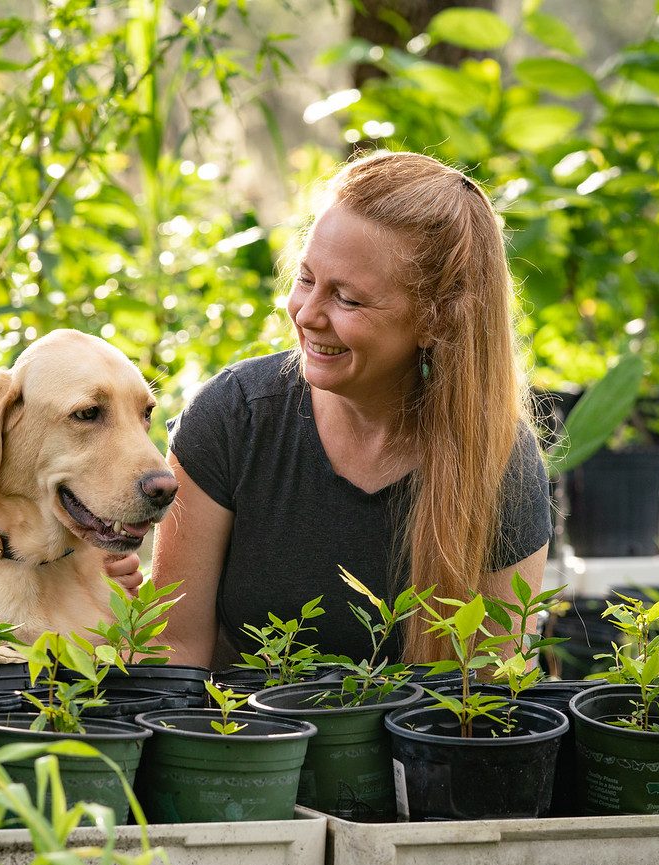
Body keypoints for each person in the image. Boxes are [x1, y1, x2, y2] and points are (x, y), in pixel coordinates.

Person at [152, 150, 553, 671]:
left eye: (348, 299)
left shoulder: (499, 464)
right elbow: (173, 654)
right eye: (306, 278)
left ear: (436, 322)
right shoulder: (235, 420)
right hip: (243, 741)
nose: (307, 314)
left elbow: (486, 692)